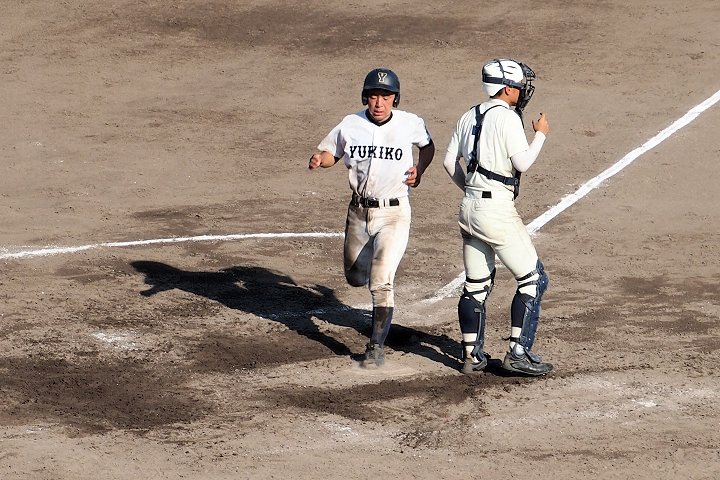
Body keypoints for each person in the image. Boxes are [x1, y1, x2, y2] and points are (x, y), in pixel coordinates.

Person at [309, 68, 435, 367]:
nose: (379, 103)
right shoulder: (350, 124)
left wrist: (420, 170)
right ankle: (372, 281)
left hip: (394, 212)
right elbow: (331, 153)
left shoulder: (410, 123)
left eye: (386, 96)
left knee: (380, 281)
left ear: (395, 99)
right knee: (355, 277)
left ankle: (376, 346)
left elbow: (428, 146)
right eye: (374, 96)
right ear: (366, 97)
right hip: (358, 212)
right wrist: (320, 160)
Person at [442, 58, 552, 376]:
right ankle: (518, 353)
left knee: (476, 285)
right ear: (506, 88)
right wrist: (541, 135)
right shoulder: (507, 118)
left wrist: (471, 189)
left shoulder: (468, 116)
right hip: (496, 211)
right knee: (533, 279)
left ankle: (471, 357)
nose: (522, 91)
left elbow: (449, 162)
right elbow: (523, 163)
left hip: (469, 209)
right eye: (518, 86)